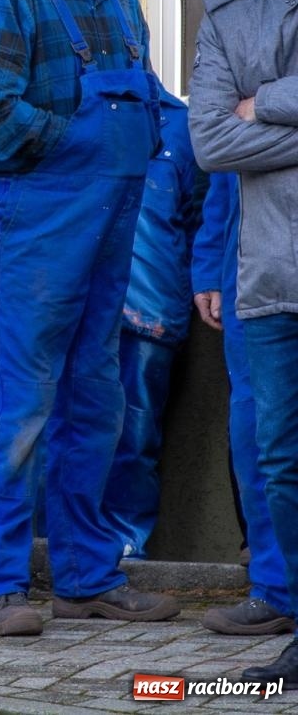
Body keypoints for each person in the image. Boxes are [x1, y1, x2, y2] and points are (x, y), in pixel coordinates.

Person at [0, 0, 176, 637]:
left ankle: (86, 577)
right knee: (21, 408)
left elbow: (146, 97)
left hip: (111, 224)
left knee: (95, 403)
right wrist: (74, 144)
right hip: (37, 228)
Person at [187, 0, 298, 684]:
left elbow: (243, 125)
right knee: (281, 459)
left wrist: (271, 103)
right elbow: (211, 139)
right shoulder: (226, 11)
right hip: (271, 274)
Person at [100, 91, 202, 559]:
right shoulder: (66, 111)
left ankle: (125, 549)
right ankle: (63, 548)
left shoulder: (181, 126)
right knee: (65, 436)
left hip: (149, 309)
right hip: (75, 307)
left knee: (135, 440)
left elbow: (200, 219)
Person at [193, 171, 294, 638]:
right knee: (259, 437)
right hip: (253, 271)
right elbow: (222, 166)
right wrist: (210, 268)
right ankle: (276, 590)